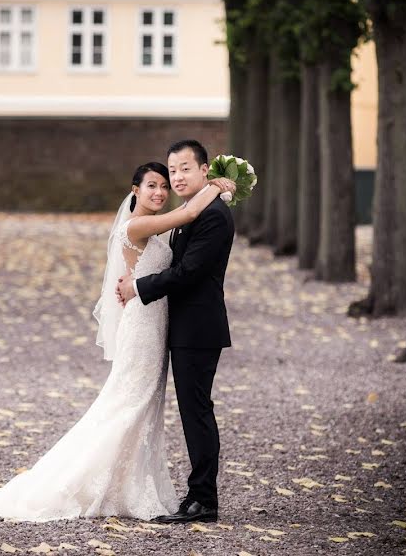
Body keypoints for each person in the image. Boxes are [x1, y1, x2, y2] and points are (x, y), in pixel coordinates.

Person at [0, 162, 236, 522]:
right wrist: (217, 185)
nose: (160, 192)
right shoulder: (137, 226)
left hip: (156, 321)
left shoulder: (157, 225)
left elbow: (182, 236)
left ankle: (129, 485)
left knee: (144, 405)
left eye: (165, 186)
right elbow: (186, 214)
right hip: (143, 324)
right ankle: (80, 483)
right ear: (134, 190)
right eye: (152, 185)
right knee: (128, 401)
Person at [116, 140, 235, 524]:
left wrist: (138, 287)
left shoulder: (213, 216)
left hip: (198, 329)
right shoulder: (190, 212)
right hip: (177, 327)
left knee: (196, 412)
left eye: (186, 168)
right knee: (189, 411)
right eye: (173, 170)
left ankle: (204, 499)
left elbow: (188, 273)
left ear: (205, 170)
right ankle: (196, 495)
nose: (177, 177)